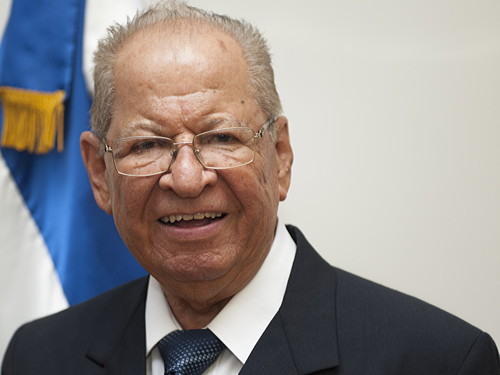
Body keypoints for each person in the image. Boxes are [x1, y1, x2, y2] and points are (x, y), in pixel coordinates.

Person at [2, 1, 499, 374]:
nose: (187, 178)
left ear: (279, 156)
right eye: (148, 146)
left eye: (220, 138)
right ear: (98, 173)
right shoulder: (38, 357)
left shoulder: (440, 361)